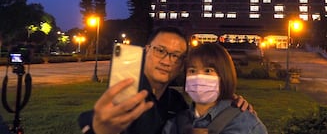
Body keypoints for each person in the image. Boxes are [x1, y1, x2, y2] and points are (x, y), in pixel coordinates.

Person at [78, 26, 252, 134]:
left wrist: (227, 100)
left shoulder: (176, 102)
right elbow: (96, 118)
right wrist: (99, 129)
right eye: (160, 51)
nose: (167, 61)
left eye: (176, 56)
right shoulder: (126, 94)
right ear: (146, 50)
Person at [162, 43, 268, 134]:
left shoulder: (246, 124)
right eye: (192, 71)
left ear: (223, 75)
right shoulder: (174, 125)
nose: (199, 77)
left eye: (208, 71)